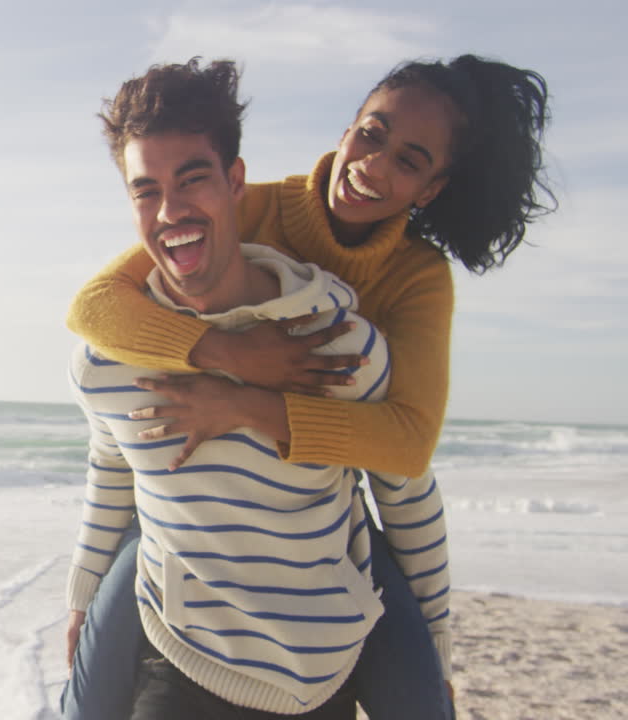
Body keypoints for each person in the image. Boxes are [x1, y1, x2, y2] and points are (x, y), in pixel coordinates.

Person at [62, 54, 552, 719]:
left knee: (423, 698)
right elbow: (94, 308)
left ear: (431, 187)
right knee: (87, 693)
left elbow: (406, 453)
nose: (374, 166)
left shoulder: (414, 281)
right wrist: (223, 350)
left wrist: (245, 403)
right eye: (371, 134)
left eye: (408, 161)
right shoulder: (250, 203)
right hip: (185, 548)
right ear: (348, 128)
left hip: (326, 520)